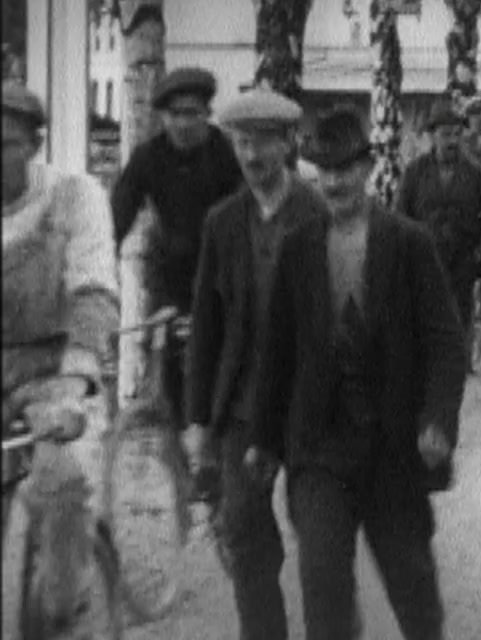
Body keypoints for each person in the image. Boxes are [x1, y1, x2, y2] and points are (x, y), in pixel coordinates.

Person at [245, 111, 468, 640]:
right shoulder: (298, 248)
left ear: (368, 168)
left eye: (346, 168)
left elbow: (445, 343)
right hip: (319, 449)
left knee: (415, 593)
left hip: (392, 451)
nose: (336, 181)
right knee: (323, 587)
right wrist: (262, 440)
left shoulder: (409, 243)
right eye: (324, 170)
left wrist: (437, 420)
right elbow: (276, 353)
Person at [183, 89, 329, 640]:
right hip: (243, 407)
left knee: (320, 544)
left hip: (309, 408)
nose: (250, 156)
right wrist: (199, 421)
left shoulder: (318, 214)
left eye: (262, 143)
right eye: (241, 143)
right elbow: (206, 328)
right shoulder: (222, 223)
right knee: (245, 536)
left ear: (288, 144)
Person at [2, 82, 119, 630]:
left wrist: (75, 382)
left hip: (53, 378)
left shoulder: (74, 196)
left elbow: (94, 291)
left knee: (62, 490)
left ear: (33, 143)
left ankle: (62, 614)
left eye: (5, 142)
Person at [110, 67, 243, 430]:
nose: (184, 124)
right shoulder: (148, 156)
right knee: (167, 378)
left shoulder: (224, 153)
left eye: (193, 113)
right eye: (176, 115)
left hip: (220, 281)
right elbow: (116, 219)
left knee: (218, 378)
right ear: (163, 117)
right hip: (169, 281)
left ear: (206, 114)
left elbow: (244, 224)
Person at [396, 102, 481, 355]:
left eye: (457, 134)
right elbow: (400, 216)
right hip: (425, 257)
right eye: (446, 135)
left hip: (463, 257)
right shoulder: (415, 172)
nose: (452, 141)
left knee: (459, 315)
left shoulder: (477, 173)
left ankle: (456, 365)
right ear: (432, 136)